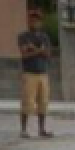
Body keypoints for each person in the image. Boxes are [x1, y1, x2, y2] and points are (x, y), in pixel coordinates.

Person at [17, 9, 54, 138]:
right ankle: (23, 130)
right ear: (28, 21)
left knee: (43, 102)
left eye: (37, 20)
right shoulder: (23, 36)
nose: (34, 22)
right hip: (29, 73)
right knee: (27, 102)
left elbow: (48, 54)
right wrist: (39, 51)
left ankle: (42, 129)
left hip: (43, 73)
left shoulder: (44, 37)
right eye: (32, 19)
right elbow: (24, 55)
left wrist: (34, 49)